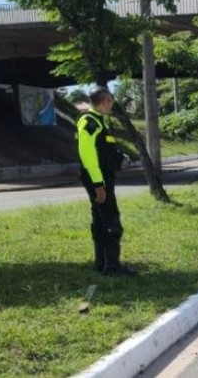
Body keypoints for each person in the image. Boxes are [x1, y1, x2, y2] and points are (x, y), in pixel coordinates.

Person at [77, 86, 136, 276]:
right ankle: (112, 266)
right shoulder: (89, 121)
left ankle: (102, 262)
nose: (112, 103)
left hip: (103, 177)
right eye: (111, 100)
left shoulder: (100, 121)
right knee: (111, 220)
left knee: (100, 218)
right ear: (105, 101)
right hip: (97, 178)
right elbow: (88, 156)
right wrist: (98, 185)